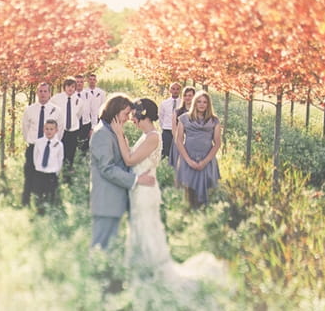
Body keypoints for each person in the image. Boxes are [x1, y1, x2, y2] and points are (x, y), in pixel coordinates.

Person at [110, 98, 227, 309]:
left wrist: (119, 135)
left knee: (146, 227)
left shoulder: (153, 137)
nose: (131, 119)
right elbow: (131, 158)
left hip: (145, 192)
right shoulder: (147, 136)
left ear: (142, 115)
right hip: (139, 189)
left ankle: (151, 271)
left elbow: (129, 160)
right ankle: (139, 267)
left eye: (133, 115)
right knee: (139, 227)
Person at [90, 93, 155, 250]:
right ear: (115, 111)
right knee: (100, 246)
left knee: (109, 247)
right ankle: (94, 274)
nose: (128, 118)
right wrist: (136, 179)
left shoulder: (113, 131)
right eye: (126, 114)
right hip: (106, 200)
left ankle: (106, 273)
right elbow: (107, 168)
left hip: (114, 200)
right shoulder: (102, 134)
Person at [174, 91, 221, 209]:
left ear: (208, 104)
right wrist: (189, 161)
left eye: (205, 102)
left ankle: (203, 217)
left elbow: (217, 143)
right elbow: (178, 141)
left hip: (207, 159)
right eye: (199, 101)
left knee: (206, 192)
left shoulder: (214, 120)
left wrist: (205, 162)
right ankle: (188, 217)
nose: (202, 104)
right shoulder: (184, 118)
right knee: (188, 192)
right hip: (188, 158)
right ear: (195, 102)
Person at [21, 82, 63, 207]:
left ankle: (49, 201)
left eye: (45, 91)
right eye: (40, 91)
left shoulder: (56, 111)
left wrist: (51, 143)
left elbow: (60, 128)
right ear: (37, 93)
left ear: (50, 93)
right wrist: (31, 141)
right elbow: (25, 128)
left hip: (50, 147)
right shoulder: (30, 110)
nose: (43, 94)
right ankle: (26, 201)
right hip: (33, 146)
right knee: (30, 173)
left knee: (48, 175)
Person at [31, 119, 63, 214]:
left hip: (51, 174)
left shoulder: (59, 145)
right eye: (47, 129)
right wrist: (38, 167)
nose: (49, 131)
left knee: (51, 194)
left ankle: (50, 211)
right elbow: (35, 156)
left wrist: (56, 171)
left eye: (51, 129)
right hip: (40, 173)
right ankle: (39, 211)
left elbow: (60, 159)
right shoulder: (38, 142)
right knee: (39, 193)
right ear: (43, 129)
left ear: (56, 130)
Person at [51, 77, 84, 168]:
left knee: (71, 151)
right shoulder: (56, 99)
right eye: (68, 86)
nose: (70, 88)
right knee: (60, 150)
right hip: (61, 130)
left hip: (73, 129)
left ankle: (69, 169)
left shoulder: (79, 101)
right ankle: (58, 169)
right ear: (64, 87)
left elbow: (79, 114)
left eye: (73, 87)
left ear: (75, 88)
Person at [168, 85, 195, 170]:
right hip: (179, 142)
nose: (187, 98)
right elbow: (174, 129)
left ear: (194, 97)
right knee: (178, 168)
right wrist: (180, 142)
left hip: (192, 143)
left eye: (190, 95)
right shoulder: (177, 111)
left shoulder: (197, 112)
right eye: (185, 95)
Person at [158, 82, 182, 158]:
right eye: (173, 89)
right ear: (170, 90)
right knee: (165, 152)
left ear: (180, 91)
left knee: (177, 152)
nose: (175, 91)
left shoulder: (182, 103)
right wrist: (164, 127)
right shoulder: (164, 103)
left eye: (177, 89)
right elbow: (161, 116)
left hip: (179, 131)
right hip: (167, 130)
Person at [75, 74, 93, 152]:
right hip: (74, 124)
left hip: (86, 123)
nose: (79, 84)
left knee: (85, 146)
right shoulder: (70, 96)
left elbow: (94, 112)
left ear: (84, 83)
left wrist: (93, 128)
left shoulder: (89, 95)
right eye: (77, 82)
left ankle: (83, 161)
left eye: (81, 82)